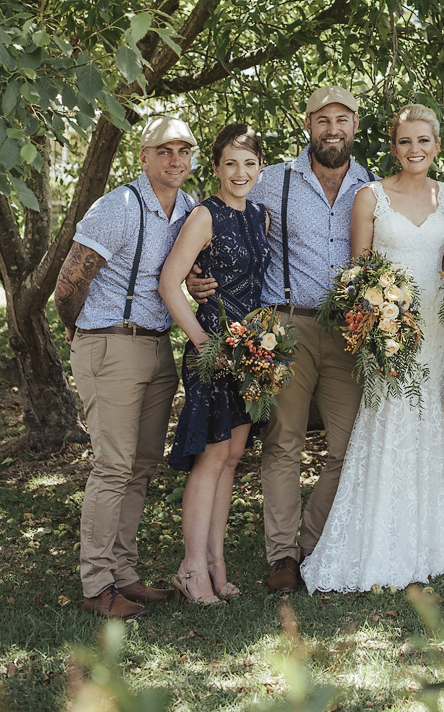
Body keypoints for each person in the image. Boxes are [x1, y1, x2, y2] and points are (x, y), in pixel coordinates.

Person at [186, 85, 373, 593]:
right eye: (322, 120)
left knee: (348, 445)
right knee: (283, 443)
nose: (332, 129)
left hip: (350, 329)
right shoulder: (272, 181)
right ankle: (283, 556)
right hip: (285, 328)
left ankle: (314, 541)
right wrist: (194, 275)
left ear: (355, 125)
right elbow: (221, 219)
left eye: (342, 120)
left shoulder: (371, 185)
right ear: (308, 126)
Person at [301, 104, 444, 593]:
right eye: (405, 141)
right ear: (393, 147)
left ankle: (427, 543)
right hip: (388, 325)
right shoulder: (370, 197)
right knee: (387, 418)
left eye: (424, 141)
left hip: (436, 326)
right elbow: (358, 272)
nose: (415, 150)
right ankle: (374, 542)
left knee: (427, 417)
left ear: (437, 146)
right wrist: (379, 320)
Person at [54, 115, 197, 621]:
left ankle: (123, 572)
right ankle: (96, 585)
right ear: (143, 156)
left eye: (184, 150)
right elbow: (68, 284)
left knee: (140, 467)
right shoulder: (117, 206)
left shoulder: (190, 208)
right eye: (164, 151)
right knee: (112, 467)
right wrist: (81, 333)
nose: (175, 159)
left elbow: (187, 275)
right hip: (110, 345)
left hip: (158, 347)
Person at [158, 123, 270, 605]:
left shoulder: (261, 217)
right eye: (230, 164)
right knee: (209, 460)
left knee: (230, 459)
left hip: (251, 355)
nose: (239, 173)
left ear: (260, 168)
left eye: (249, 163)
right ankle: (190, 569)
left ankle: (216, 566)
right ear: (217, 168)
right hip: (212, 351)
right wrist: (204, 341)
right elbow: (169, 283)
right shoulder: (206, 215)